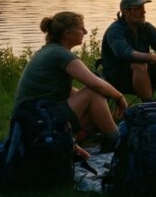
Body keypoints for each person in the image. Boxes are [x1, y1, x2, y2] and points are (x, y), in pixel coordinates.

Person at [14, 12, 127, 150]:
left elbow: (65, 90)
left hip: (30, 120)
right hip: (37, 121)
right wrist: (119, 97)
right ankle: (119, 142)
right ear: (67, 33)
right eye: (81, 28)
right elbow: (96, 84)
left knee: (94, 102)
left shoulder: (50, 51)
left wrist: (96, 107)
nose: (85, 32)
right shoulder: (60, 54)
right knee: (94, 93)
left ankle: (99, 137)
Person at [100, 0, 156, 105]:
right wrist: (153, 57)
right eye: (138, 9)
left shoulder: (146, 27)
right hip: (116, 76)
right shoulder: (115, 30)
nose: (144, 12)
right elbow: (124, 53)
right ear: (126, 12)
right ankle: (148, 106)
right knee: (139, 64)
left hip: (142, 72)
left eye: (143, 8)